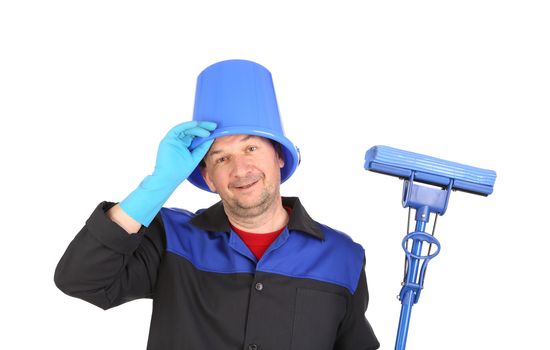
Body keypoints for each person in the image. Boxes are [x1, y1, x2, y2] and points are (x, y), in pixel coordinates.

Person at [54, 59, 379, 350]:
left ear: (279, 156)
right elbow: (81, 278)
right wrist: (159, 182)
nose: (239, 170)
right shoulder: (171, 239)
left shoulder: (342, 257)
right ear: (208, 177)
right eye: (221, 158)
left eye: (250, 148)